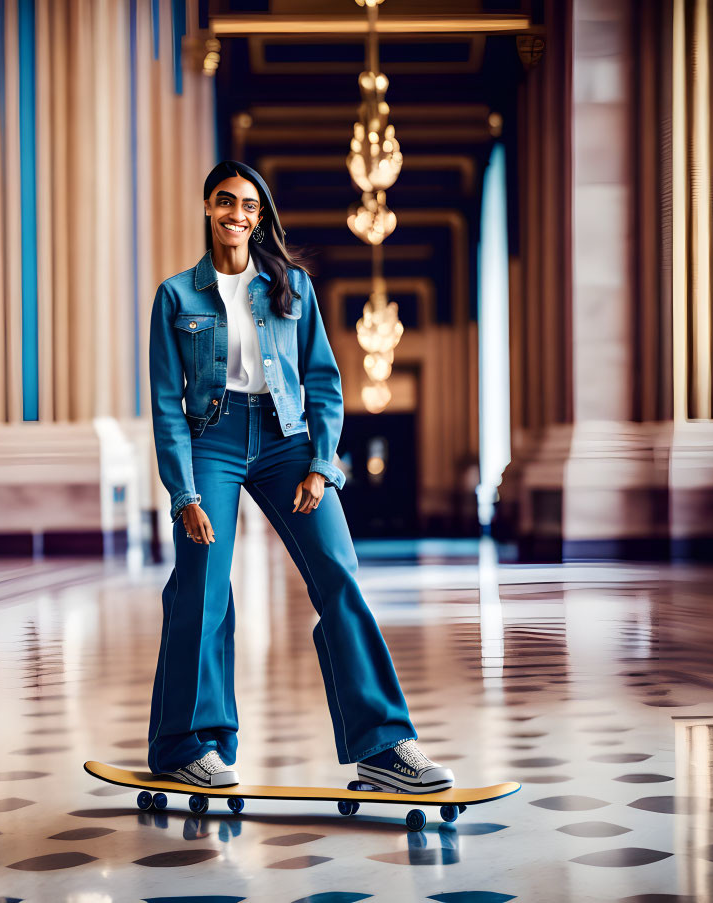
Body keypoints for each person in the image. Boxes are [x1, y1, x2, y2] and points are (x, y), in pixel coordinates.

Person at [145, 160, 454, 795]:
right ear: (208, 207)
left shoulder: (293, 288)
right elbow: (165, 406)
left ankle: (384, 745)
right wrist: (185, 495)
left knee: (338, 575)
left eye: (250, 207)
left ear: (260, 218)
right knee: (201, 584)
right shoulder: (176, 296)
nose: (238, 215)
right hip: (214, 439)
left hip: (287, 439)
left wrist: (321, 462)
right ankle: (188, 744)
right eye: (226, 202)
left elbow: (323, 382)